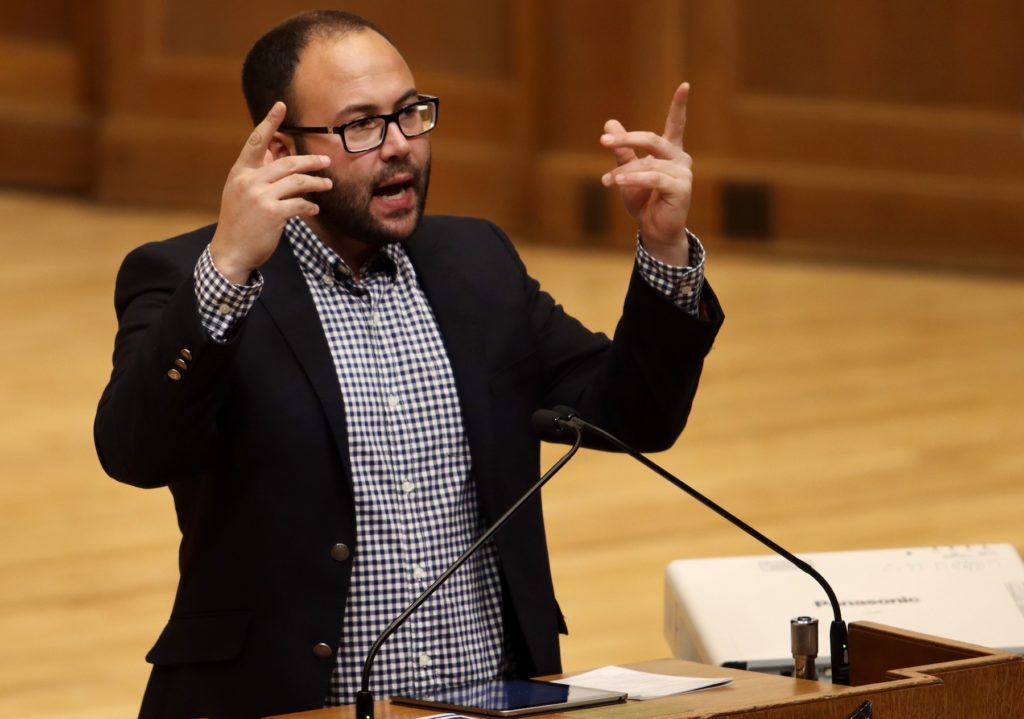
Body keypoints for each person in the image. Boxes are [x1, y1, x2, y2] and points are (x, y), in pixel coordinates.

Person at [94, 9, 724, 719]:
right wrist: (229, 269)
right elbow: (134, 450)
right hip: (283, 703)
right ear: (278, 149)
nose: (399, 147)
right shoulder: (193, 275)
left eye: (410, 114)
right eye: (361, 125)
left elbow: (631, 415)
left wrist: (666, 253)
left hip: (489, 702)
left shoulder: (477, 263)